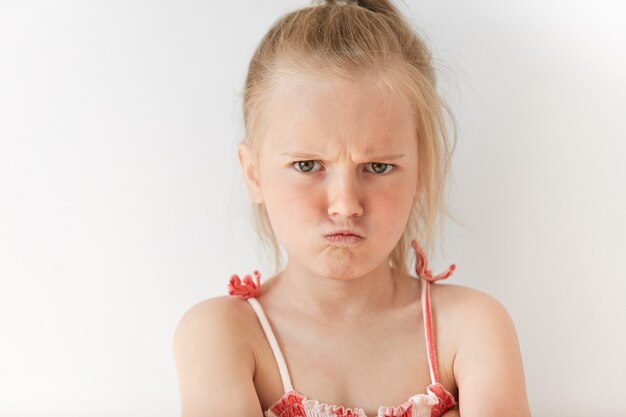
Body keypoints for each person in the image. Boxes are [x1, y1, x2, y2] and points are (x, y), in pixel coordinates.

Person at [173, 1, 531, 416]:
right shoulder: (224, 335)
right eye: (307, 165)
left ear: (421, 173)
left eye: (378, 166)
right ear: (253, 174)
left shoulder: (472, 329)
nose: (345, 205)